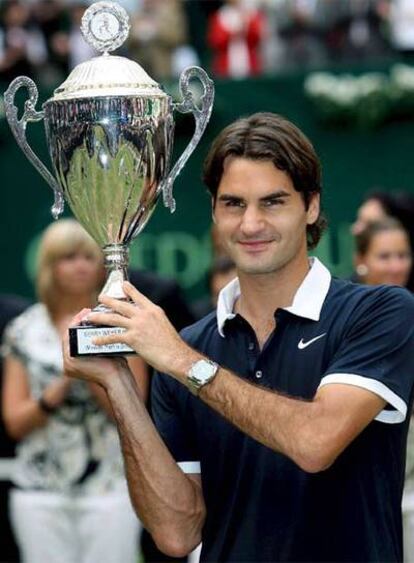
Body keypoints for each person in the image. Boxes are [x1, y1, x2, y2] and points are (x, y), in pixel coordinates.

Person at [63, 113, 414, 562]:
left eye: (272, 202)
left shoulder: (378, 312)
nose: (250, 225)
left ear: (310, 207)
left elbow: (315, 443)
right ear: (213, 210)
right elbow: (176, 532)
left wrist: (182, 362)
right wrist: (118, 386)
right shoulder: (187, 346)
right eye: (233, 204)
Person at [2, 219, 146, 563]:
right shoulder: (23, 330)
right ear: (49, 267)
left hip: (112, 487)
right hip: (40, 491)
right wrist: (57, 390)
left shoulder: (124, 325)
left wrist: (96, 378)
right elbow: (14, 423)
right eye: (68, 257)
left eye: (88, 256)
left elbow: (138, 416)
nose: (81, 265)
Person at [353, 218, 414, 562]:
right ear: (361, 259)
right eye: (385, 256)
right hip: (371, 471)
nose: (396, 266)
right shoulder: (346, 315)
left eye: (402, 255)